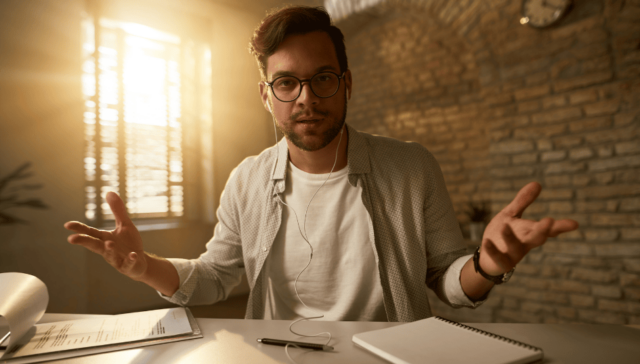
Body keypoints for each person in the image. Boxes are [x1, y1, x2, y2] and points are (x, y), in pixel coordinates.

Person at [64, 6, 578, 322]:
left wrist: (488, 265)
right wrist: (144, 266)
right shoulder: (247, 179)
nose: (306, 97)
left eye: (323, 78)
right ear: (266, 96)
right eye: (286, 83)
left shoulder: (412, 167)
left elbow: (446, 281)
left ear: (347, 83)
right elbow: (215, 278)